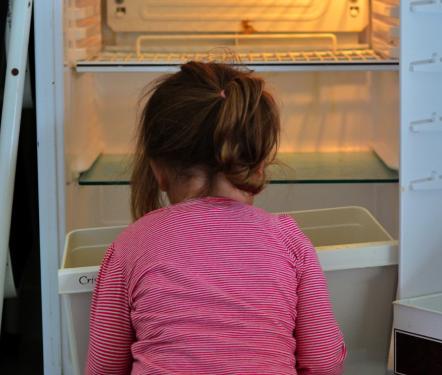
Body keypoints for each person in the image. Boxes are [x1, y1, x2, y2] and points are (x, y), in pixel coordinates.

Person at [86, 61, 346, 374]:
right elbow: (323, 361)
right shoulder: (289, 241)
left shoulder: (130, 246)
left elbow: (104, 367)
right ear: (259, 162)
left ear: (158, 169)